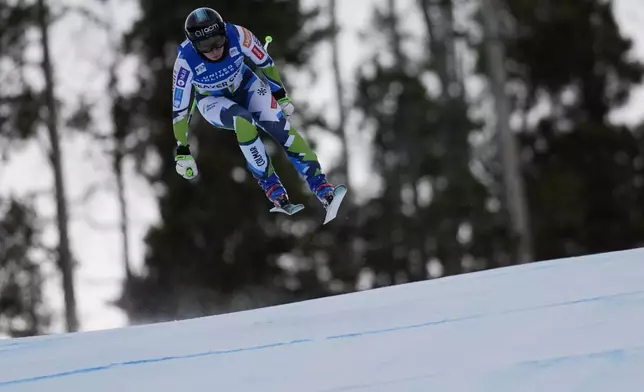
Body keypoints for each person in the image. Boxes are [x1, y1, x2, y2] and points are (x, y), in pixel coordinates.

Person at [171, 7, 341, 213]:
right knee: (243, 121)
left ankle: (321, 186)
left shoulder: (239, 35)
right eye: (205, 46)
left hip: (246, 85)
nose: (215, 50)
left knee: (282, 128)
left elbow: (265, 63)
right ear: (194, 45)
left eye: (218, 41)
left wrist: (280, 95)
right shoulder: (185, 61)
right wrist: (183, 150)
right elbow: (179, 109)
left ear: (224, 32)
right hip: (212, 101)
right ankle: (272, 187)